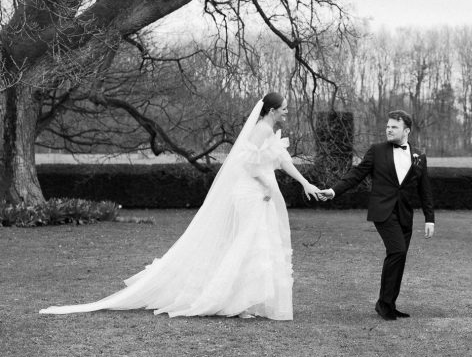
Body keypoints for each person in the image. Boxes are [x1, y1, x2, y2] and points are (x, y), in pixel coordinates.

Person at [40, 92, 322, 320]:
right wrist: (264, 185)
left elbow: (282, 160)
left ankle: (246, 300)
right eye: (284, 108)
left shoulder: (270, 132)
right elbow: (248, 164)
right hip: (251, 193)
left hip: (261, 193)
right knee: (247, 244)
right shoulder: (260, 130)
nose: (287, 112)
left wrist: (305, 183)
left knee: (257, 244)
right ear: (272, 111)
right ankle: (235, 301)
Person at [320, 110, 435, 320]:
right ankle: (383, 305)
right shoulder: (377, 151)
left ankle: (389, 304)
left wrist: (430, 218)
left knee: (399, 258)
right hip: (383, 211)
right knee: (397, 251)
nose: (389, 130)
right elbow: (356, 175)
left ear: (406, 130)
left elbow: (424, 189)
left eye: (394, 127)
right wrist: (334, 191)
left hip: (405, 214)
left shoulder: (419, 156)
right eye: (388, 126)